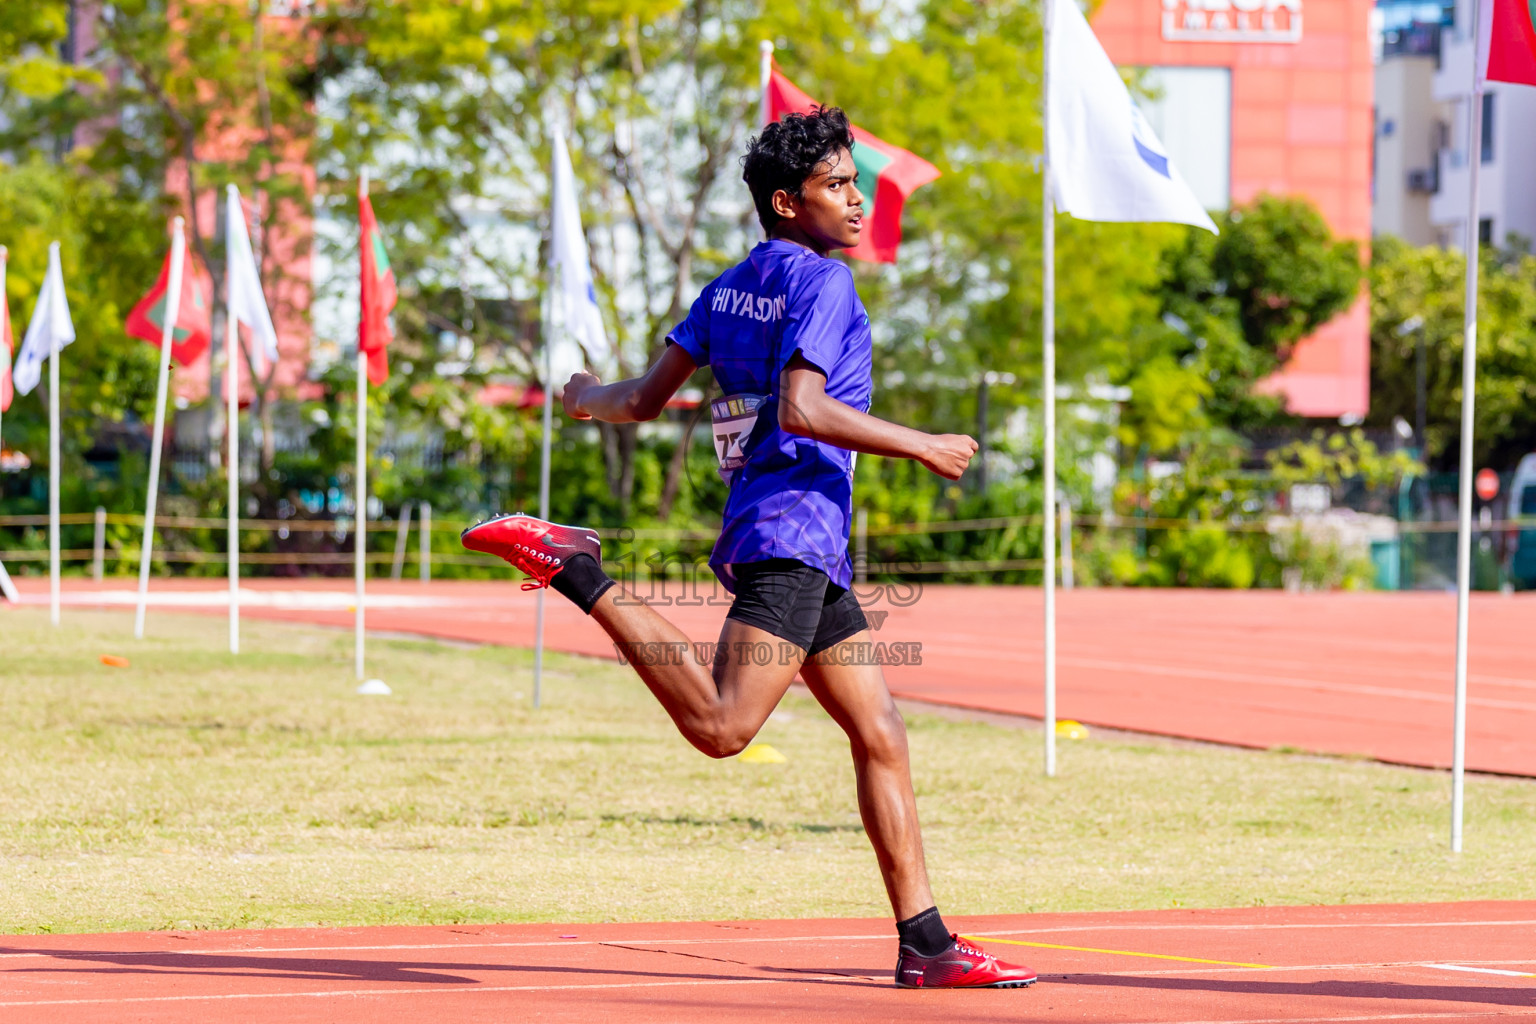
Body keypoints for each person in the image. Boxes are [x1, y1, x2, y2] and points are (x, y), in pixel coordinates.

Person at [462, 106, 1035, 990]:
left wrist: (583, 397)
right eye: (836, 186)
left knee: (881, 731)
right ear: (785, 200)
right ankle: (574, 565)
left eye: (854, 182)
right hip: (792, 534)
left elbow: (644, 402)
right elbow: (806, 409)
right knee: (725, 727)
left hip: (796, 538)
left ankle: (925, 942)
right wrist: (922, 443)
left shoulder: (726, 288)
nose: (855, 201)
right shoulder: (825, 285)